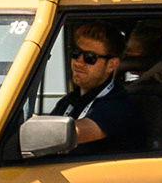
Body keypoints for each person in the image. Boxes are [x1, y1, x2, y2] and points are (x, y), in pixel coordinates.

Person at [51, 22, 144, 152]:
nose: (78, 62)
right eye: (75, 53)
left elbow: (73, 132)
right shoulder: (69, 101)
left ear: (111, 65)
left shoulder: (118, 106)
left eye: (89, 57)